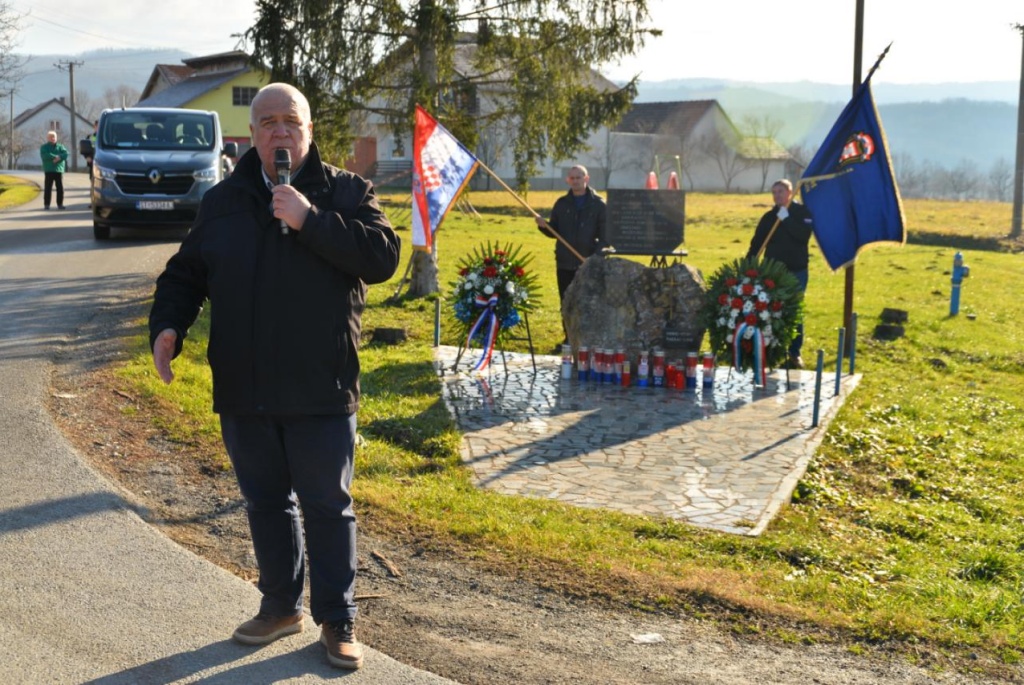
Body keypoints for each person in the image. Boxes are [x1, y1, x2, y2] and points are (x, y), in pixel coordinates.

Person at [148, 82, 400, 670]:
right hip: (245, 385)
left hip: (321, 382)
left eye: (290, 120)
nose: (279, 131)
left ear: (309, 130)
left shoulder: (346, 192)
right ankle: (280, 606)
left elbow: (383, 257)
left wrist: (310, 220)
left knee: (327, 505)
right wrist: (168, 326)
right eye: (267, 122)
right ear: (252, 134)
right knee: (265, 501)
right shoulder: (223, 200)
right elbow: (185, 275)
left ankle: (337, 619)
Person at [746, 178, 814, 369]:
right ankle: (771, 351)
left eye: (781, 192)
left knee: (794, 311)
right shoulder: (769, 217)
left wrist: (787, 219)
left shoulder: (802, 213)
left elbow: (803, 236)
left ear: (790, 193)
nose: (777, 196)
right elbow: (757, 244)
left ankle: (794, 353)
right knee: (770, 310)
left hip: (796, 271)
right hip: (772, 272)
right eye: (774, 192)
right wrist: (748, 265)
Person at [535, 164, 606, 342]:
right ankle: (569, 339)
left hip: (588, 264)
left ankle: (587, 340)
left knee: (587, 303)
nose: (575, 181)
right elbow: (554, 232)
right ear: (568, 180)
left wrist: (595, 258)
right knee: (567, 303)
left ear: (586, 178)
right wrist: (544, 226)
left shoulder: (599, 204)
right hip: (564, 263)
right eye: (572, 178)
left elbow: (606, 236)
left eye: (579, 177)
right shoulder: (561, 204)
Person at [40, 130, 68, 210]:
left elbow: (66, 154)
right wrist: (56, 157)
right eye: (51, 137)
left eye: (54, 137)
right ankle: (47, 204)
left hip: (58, 170)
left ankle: (60, 204)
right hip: (49, 170)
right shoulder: (44, 147)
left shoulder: (60, 146)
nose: (53, 138)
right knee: (48, 188)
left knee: (60, 188)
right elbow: (45, 156)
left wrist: (60, 157)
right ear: (48, 138)